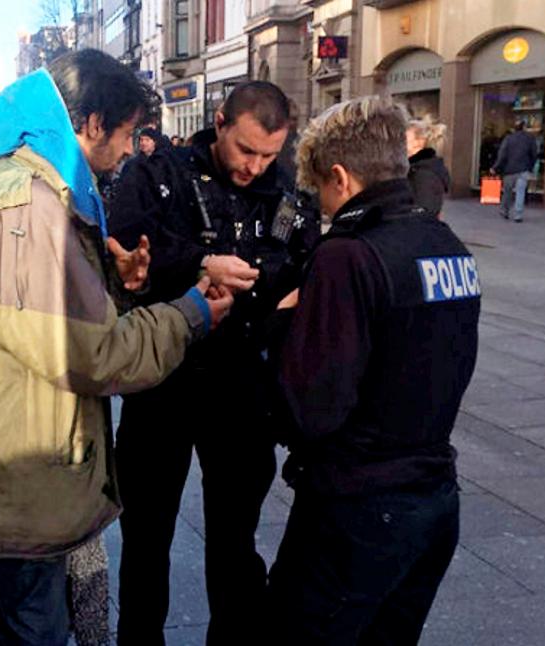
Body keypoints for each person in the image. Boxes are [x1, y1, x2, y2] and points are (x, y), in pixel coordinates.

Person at [0, 49, 234, 646]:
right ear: (89, 125)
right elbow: (95, 354)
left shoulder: (23, 185)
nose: (126, 151)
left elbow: (41, 317)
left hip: (12, 466)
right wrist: (190, 313)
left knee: (31, 622)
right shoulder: (31, 209)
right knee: (38, 631)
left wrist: (115, 280)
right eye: (123, 135)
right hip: (17, 478)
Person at [107, 81, 319, 645]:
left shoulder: (291, 189)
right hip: (163, 381)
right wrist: (201, 263)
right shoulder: (160, 173)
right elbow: (126, 246)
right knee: (147, 535)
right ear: (220, 121)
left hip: (244, 387)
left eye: (268, 154)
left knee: (235, 538)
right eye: (246, 150)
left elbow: (307, 264)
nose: (254, 166)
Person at [267, 96, 480, 644]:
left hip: (358, 508)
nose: (321, 205)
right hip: (433, 499)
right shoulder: (444, 242)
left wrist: (283, 327)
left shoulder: (350, 255)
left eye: (321, 190)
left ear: (339, 176)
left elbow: (313, 408)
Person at [493, 120, 538, 222]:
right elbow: (534, 154)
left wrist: (496, 167)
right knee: (520, 192)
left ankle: (504, 210)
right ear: (524, 127)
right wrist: (530, 167)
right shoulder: (530, 138)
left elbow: (502, 154)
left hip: (509, 170)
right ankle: (518, 215)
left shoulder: (508, 138)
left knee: (507, 192)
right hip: (523, 170)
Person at [406, 116, 450, 219]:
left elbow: (424, 213)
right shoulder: (417, 168)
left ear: (419, 142)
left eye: (403, 137)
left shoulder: (424, 174)